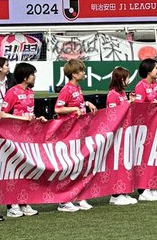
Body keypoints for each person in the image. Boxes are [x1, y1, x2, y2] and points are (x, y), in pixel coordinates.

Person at [54, 58, 97, 212]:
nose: (84, 73)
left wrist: (86, 104)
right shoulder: (67, 89)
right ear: (74, 74)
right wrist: (73, 110)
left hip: (79, 131)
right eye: (81, 71)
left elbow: (76, 104)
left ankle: (77, 197)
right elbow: (58, 109)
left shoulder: (77, 88)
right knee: (69, 165)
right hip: (69, 132)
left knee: (79, 165)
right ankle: (64, 201)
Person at [0, 63, 40, 218]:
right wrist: (20, 118)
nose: (35, 77)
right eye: (32, 74)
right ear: (25, 77)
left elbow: (29, 114)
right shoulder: (12, 92)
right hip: (14, 137)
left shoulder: (30, 92)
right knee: (14, 170)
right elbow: (2, 114)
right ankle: (12, 205)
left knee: (26, 170)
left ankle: (24, 202)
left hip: (28, 138)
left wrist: (36, 119)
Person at [132, 58, 157, 202]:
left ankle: (152, 187)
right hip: (145, 128)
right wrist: (153, 103)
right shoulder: (140, 86)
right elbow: (138, 107)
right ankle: (143, 190)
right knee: (144, 158)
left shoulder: (156, 86)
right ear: (148, 70)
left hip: (156, 126)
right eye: (155, 68)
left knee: (154, 156)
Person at [106, 67, 138, 207]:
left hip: (125, 132)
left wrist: (129, 102)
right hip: (117, 133)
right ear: (120, 79)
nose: (129, 80)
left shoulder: (122, 93)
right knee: (117, 163)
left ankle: (123, 191)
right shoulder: (112, 94)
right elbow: (113, 113)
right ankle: (116, 194)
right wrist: (128, 103)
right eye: (127, 77)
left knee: (125, 162)